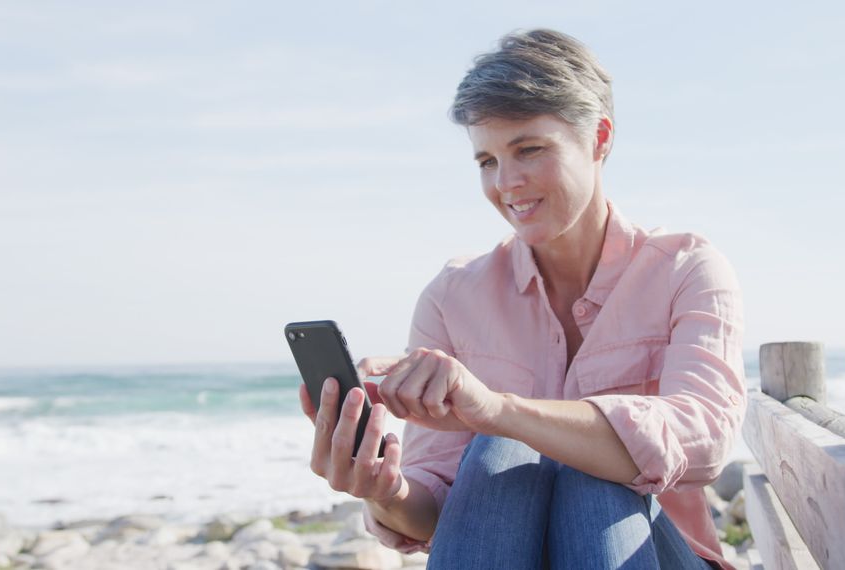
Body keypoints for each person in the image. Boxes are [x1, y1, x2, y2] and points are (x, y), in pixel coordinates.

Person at [299, 29, 745, 570]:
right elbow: (439, 513)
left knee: (580, 465)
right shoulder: (451, 298)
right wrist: (384, 492)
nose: (506, 183)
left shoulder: (687, 269)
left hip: (660, 555)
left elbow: (705, 438)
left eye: (529, 150)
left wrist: (497, 410)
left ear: (599, 138)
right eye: (486, 161)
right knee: (503, 453)